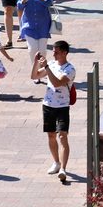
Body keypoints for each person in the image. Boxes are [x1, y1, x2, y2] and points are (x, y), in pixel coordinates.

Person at [34, 40, 74, 183]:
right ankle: (56, 162)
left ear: (64, 53)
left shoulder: (70, 69)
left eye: (56, 51)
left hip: (62, 106)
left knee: (63, 136)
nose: (54, 54)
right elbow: (34, 76)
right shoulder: (50, 64)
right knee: (51, 135)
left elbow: (57, 83)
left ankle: (63, 168)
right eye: (53, 51)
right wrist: (36, 62)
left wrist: (46, 67)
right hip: (48, 105)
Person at [17, 0, 54, 78]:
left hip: (43, 24)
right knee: (32, 49)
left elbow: (48, 2)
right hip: (29, 24)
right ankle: (36, 72)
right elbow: (19, 5)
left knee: (42, 50)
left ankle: (42, 71)